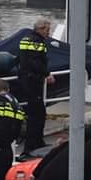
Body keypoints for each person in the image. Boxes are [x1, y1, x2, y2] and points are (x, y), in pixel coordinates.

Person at [18, 17, 55, 152]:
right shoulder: (37, 42)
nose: (48, 33)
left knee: (36, 113)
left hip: (26, 79)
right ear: (40, 29)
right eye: (47, 30)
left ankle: (36, 142)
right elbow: (36, 62)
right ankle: (33, 145)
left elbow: (24, 59)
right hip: (32, 81)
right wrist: (47, 74)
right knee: (37, 114)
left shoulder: (26, 39)